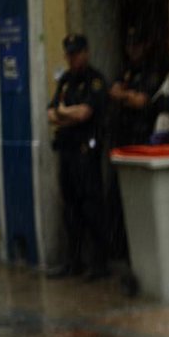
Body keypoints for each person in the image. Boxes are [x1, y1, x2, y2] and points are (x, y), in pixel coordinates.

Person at [106, 26, 169, 261]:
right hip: (123, 143)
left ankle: (142, 254)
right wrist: (126, 96)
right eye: (129, 45)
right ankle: (121, 251)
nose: (132, 50)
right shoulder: (126, 71)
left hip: (142, 142)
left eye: (136, 45)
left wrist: (123, 96)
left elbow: (142, 101)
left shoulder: (152, 70)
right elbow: (113, 91)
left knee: (142, 202)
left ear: (145, 46)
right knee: (118, 201)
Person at [47, 33, 109, 280]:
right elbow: (51, 114)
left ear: (86, 53)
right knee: (70, 209)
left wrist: (64, 113)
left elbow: (85, 113)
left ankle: (100, 264)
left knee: (92, 208)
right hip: (68, 151)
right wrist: (65, 114)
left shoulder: (95, 81)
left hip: (86, 152)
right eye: (68, 54)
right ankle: (74, 261)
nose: (71, 59)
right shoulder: (64, 81)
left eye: (75, 53)